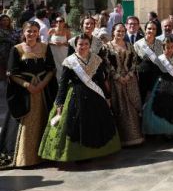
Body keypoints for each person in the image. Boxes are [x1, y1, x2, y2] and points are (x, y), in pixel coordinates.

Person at [39, 34, 121, 162]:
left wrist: (107, 97)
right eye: (80, 44)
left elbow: (100, 79)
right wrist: (59, 104)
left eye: (86, 44)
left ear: (89, 46)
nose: (83, 47)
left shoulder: (96, 59)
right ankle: (78, 154)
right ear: (75, 46)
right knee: (76, 124)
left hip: (96, 97)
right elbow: (63, 84)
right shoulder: (69, 61)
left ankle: (99, 152)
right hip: (76, 96)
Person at [0, 22, 57, 168]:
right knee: (25, 123)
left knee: (45, 120)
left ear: (38, 33)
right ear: (24, 33)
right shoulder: (17, 49)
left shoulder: (45, 47)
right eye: (29, 31)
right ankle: (25, 158)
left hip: (43, 91)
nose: (31, 34)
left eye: (35, 31)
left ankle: (45, 155)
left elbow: (51, 69)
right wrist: (28, 86)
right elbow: (11, 73)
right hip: (24, 92)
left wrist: (42, 84)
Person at [104, 23, 144, 146]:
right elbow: (106, 64)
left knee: (132, 107)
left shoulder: (130, 46)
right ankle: (122, 139)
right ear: (113, 32)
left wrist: (129, 75)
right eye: (118, 31)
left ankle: (136, 137)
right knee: (120, 108)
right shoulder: (106, 47)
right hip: (115, 81)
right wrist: (117, 76)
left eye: (122, 31)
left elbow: (134, 62)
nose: (120, 33)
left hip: (130, 80)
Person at [134, 22, 165, 104]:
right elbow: (134, 62)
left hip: (157, 75)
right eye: (149, 28)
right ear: (145, 30)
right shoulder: (138, 44)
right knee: (144, 98)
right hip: (143, 76)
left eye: (154, 29)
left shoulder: (160, 43)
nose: (151, 31)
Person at [0, 14, 17, 82]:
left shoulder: (12, 29)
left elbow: (16, 37)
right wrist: (8, 40)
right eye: (3, 20)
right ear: (0, 21)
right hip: (2, 51)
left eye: (7, 20)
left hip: (11, 50)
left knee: (10, 66)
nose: (5, 22)